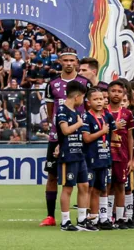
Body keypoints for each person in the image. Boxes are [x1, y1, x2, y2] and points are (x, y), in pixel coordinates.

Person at [40, 47, 93, 228]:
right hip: (58, 137)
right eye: (66, 61)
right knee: (53, 176)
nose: (69, 64)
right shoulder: (52, 84)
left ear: (76, 62)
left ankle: (84, 216)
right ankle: (50, 216)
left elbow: (90, 108)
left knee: (83, 179)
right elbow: (50, 113)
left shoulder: (85, 83)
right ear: (60, 62)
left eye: (72, 60)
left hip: (80, 137)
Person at [56, 80, 92, 231]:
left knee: (84, 185)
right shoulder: (62, 110)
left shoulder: (77, 112)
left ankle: (82, 219)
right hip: (68, 155)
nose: (83, 101)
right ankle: (65, 221)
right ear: (77, 96)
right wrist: (78, 124)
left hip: (79, 154)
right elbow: (65, 130)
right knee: (68, 187)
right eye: (82, 98)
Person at [107, 80, 134, 229]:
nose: (116, 94)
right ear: (108, 93)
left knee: (120, 186)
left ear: (124, 94)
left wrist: (132, 158)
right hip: (105, 155)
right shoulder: (103, 111)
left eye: (119, 92)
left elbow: (131, 137)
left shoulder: (128, 114)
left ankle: (120, 218)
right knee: (106, 187)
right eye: (113, 91)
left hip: (122, 155)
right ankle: (106, 217)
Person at [81, 88, 116, 230]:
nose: (99, 101)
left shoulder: (107, 117)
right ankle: (85, 218)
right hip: (91, 158)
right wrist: (102, 132)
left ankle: (99, 218)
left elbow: (112, 135)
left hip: (104, 157)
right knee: (89, 188)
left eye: (101, 99)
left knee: (101, 189)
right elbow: (87, 138)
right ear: (88, 102)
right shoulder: (86, 117)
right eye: (95, 99)